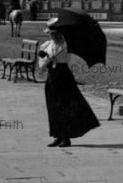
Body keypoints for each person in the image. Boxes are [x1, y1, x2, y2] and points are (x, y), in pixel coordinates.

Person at [38, 18, 100, 147]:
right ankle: (57, 135)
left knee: (64, 106)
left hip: (64, 76)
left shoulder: (66, 45)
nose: (53, 36)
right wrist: (46, 58)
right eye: (51, 33)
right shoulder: (47, 45)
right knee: (53, 107)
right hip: (52, 77)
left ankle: (66, 137)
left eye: (56, 33)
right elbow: (41, 66)